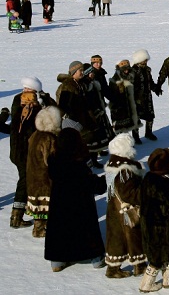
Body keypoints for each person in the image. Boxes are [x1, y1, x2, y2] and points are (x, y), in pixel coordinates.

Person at [45, 124, 106, 272]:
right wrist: (105, 180)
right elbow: (92, 183)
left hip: (59, 204)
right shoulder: (79, 163)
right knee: (87, 230)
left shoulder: (53, 160)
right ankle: (96, 258)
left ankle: (57, 260)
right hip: (81, 205)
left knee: (59, 229)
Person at [138, 148, 169, 292]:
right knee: (158, 256)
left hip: (149, 222)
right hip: (163, 225)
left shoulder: (148, 178)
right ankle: (146, 284)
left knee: (164, 252)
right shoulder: (166, 183)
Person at [10, 77, 54, 229]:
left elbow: (53, 107)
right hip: (24, 151)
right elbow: (27, 127)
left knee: (26, 181)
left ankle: (19, 215)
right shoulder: (22, 103)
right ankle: (17, 217)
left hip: (20, 150)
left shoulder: (22, 101)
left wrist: (44, 99)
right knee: (26, 181)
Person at [103, 134, 146, 278]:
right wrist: (145, 194)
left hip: (114, 210)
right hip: (127, 213)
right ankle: (139, 266)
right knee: (133, 238)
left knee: (116, 239)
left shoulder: (112, 164)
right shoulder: (125, 169)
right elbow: (129, 193)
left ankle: (113, 268)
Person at [26, 106, 62, 238]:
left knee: (39, 205)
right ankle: (40, 229)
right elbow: (51, 161)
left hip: (33, 176)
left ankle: (39, 227)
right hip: (44, 179)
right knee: (46, 204)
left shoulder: (34, 135)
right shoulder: (49, 139)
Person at [131, 49, 161, 142]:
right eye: (144, 60)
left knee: (150, 115)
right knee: (137, 117)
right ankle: (136, 136)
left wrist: (155, 88)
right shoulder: (133, 71)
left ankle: (149, 132)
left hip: (147, 96)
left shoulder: (147, 70)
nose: (146, 61)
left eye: (146, 60)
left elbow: (150, 82)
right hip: (137, 98)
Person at [108, 60, 142, 139]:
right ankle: (123, 140)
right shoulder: (115, 79)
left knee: (134, 119)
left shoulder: (133, 75)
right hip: (120, 104)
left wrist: (138, 99)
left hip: (132, 102)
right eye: (124, 69)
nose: (126, 70)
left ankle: (136, 137)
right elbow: (112, 94)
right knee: (122, 125)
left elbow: (137, 88)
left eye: (127, 68)